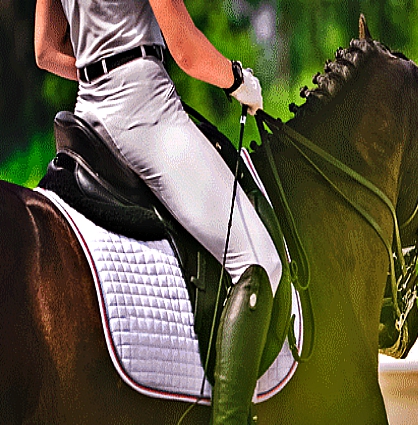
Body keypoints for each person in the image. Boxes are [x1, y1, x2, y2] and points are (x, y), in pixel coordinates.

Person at [34, 0, 281, 423]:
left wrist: (99, 70)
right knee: (261, 263)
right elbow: (186, 50)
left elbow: (45, 50)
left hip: (88, 110)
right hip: (144, 112)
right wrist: (238, 80)